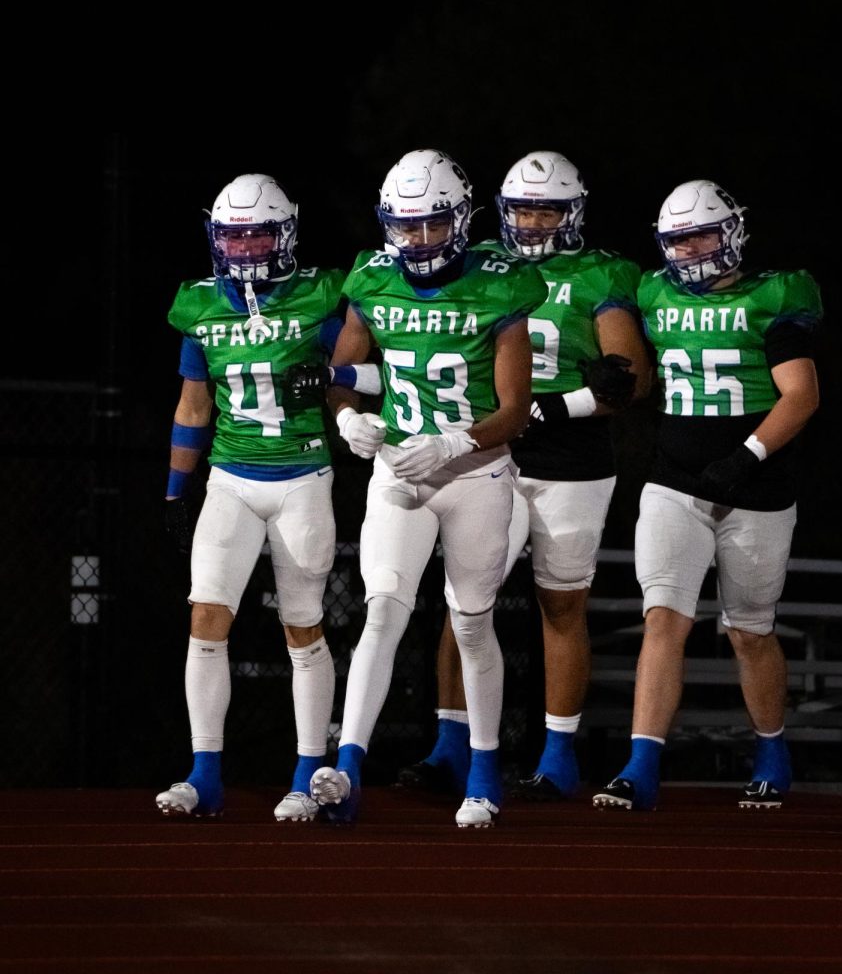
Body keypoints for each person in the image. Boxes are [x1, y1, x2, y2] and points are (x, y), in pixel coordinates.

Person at [398, 151, 650, 803]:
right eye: (524, 209)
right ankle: (451, 745)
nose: (535, 223)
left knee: (561, 605)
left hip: (571, 457)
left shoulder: (599, 274)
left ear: (574, 213)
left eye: (549, 210)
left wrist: (566, 401)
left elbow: (630, 379)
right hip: (490, 451)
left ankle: (558, 754)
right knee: (464, 602)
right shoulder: (479, 264)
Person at [306, 148, 548, 828]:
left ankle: (482, 771)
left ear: (461, 221)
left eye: (431, 225)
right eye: (404, 226)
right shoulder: (372, 279)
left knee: (471, 623)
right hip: (399, 472)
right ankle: (347, 768)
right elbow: (342, 373)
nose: (416, 241)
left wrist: (455, 440)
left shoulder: (500, 284)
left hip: (476, 472)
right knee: (380, 613)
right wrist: (350, 417)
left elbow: (514, 407)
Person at [593, 179, 822, 813]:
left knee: (750, 630)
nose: (690, 249)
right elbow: (620, 353)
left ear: (733, 233)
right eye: (678, 239)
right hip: (675, 481)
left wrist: (744, 456)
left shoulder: (773, 295)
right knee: (662, 617)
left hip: (758, 486)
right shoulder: (652, 291)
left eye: (702, 234)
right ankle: (642, 764)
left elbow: (801, 396)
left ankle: (772, 750)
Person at [156, 173, 348, 823]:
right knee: (206, 618)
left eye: (257, 235)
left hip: (301, 477)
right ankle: (204, 772)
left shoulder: (321, 298)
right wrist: (176, 491)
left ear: (285, 234)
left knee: (302, 625)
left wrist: (336, 379)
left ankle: (305, 771)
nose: (243, 250)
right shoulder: (200, 305)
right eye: (232, 238)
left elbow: (362, 372)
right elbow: (192, 404)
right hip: (231, 478)